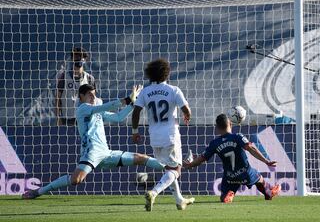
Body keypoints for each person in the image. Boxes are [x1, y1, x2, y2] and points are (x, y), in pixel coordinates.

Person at [22, 83, 164, 199]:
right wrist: (128, 99)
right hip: (91, 153)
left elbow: (119, 117)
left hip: (106, 153)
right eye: (90, 94)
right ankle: (39, 192)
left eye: (94, 94)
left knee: (141, 158)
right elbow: (105, 106)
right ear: (81, 96)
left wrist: (133, 104)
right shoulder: (82, 109)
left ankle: (173, 167)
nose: (93, 96)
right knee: (75, 180)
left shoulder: (97, 111)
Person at [132, 58, 194, 211]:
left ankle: (179, 200)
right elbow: (186, 110)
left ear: (150, 75)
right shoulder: (173, 90)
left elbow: (136, 112)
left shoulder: (145, 92)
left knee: (168, 169)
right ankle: (154, 192)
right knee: (176, 170)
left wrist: (135, 132)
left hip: (154, 137)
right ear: (166, 74)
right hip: (170, 135)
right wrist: (187, 115)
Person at [183, 113, 281, 203]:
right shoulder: (238, 136)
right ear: (230, 123)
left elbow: (202, 158)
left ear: (217, 127)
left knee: (223, 197)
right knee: (259, 178)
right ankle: (269, 192)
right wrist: (266, 161)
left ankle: (229, 195)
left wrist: (190, 165)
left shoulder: (214, 143)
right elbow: (251, 149)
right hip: (245, 173)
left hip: (230, 177)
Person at [56, 47, 96, 126]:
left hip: (84, 119)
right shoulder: (64, 77)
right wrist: (58, 118)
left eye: (81, 57)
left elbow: (93, 100)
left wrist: (93, 118)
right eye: (76, 56)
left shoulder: (89, 78)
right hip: (67, 119)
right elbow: (57, 99)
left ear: (85, 60)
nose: (79, 59)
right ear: (72, 59)